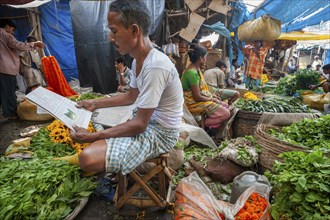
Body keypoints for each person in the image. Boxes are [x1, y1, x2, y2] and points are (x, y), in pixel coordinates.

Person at [67, 0, 183, 176]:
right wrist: (94, 103)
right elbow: (130, 96)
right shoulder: (138, 60)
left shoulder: (155, 66)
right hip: (147, 122)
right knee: (97, 120)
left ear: (134, 30)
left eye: (114, 31)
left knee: (87, 159)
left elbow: (140, 125)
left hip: (161, 133)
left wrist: (93, 137)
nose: (110, 38)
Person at [0, 19, 44, 120]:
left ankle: (8, 111)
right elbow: (18, 46)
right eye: (12, 29)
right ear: (7, 26)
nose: (12, 32)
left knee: (4, 91)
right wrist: (34, 44)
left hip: (5, 68)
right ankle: (11, 113)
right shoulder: (6, 35)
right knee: (9, 91)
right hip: (6, 68)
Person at [181, 43, 230, 129]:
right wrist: (211, 99)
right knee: (226, 113)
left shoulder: (196, 70)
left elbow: (201, 91)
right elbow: (197, 97)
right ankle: (200, 123)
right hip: (192, 104)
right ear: (200, 58)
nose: (206, 59)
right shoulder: (191, 73)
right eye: (205, 57)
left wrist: (212, 96)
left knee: (225, 106)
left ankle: (208, 126)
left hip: (198, 100)